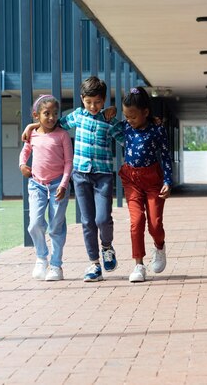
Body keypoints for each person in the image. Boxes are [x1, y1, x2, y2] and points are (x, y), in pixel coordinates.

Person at [23, 76, 124, 282]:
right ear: (81, 99)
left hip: (103, 175)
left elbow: (126, 138)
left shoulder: (108, 120)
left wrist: (142, 124)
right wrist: (31, 126)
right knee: (87, 221)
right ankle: (94, 264)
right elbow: (51, 124)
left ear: (104, 100)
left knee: (102, 218)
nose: (93, 106)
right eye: (88, 102)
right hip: (80, 176)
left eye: (97, 102)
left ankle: (106, 245)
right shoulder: (77, 116)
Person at [117, 87, 173, 282]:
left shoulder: (157, 129)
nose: (129, 120)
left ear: (146, 113)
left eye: (133, 116)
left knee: (155, 224)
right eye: (126, 116)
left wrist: (167, 180)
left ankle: (159, 246)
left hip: (152, 180)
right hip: (131, 179)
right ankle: (138, 265)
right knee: (136, 221)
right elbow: (100, 124)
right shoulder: (124, 127)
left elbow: (165, 156)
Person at [19, 95, 73, 281]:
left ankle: (56, 265)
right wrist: (22, 165)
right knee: (34, 224)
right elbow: (25, 151)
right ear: (36, 115)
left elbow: (68, 162)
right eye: (46, 113)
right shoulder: (32, 134)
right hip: (37, 185)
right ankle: (41, 257)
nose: (51, 117)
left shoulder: (62, 135)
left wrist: (64, 184)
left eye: (55, 113)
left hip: (59, 185)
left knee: (56, 226)